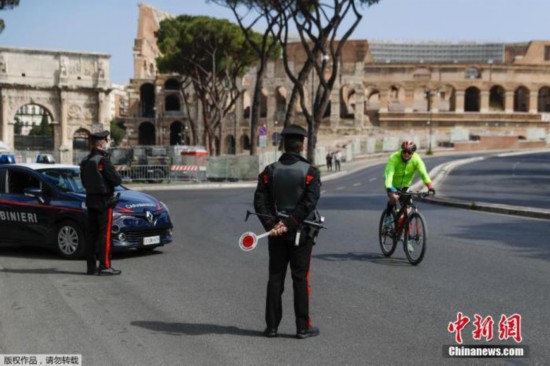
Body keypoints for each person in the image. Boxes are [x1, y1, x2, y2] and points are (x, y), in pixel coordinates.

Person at [253, 124, 322, 339]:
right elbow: (309, 203)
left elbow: (260, 201)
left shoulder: (269, 171)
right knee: (300, 279)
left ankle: (271, 327)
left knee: (275, 279)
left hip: (276, 234)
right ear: (301, 145)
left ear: (283, 144)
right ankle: (302, 327)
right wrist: (291, 223)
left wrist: (273, 225)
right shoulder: (311, 172)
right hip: (301, 233)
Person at [80, 130, 122, 276]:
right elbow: (116, 180)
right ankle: (105, 266)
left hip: (90, 200)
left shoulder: (85, 161)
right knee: (105, 235)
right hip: (104, 201)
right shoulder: (103, 160)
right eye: (107, 141)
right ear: (103, 143)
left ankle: (91, 267)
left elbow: (84, 182)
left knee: (91, 235)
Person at [384, 140, 435, 225]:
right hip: (392, 185)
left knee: (408, 208)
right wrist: (389, 186)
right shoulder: (394, 158)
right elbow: (389, 173)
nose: (406, 154)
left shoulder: (416, 159)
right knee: (394, 197)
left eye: (409, 152)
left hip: (405, 186)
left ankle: (403, 227)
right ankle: (388, 216)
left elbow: (423, 174)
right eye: (404, 151)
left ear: (413, 153)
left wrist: (430, 187)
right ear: (402, 151)